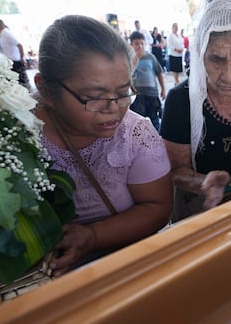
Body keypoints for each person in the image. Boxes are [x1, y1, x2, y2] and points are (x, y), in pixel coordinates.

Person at [33, 15, 173, 276]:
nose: (114, 109)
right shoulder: (13, 135)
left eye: (122, 93)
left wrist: (92, 237)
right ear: (47, 91)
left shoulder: (136, 134)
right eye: (94, 98)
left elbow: (158, 207)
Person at [160, 0, 231, 222]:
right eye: (216, 59)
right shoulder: (180, 101)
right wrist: (205, 184)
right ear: (200, 54)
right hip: (196, 206)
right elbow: (176, 170)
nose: (229, 76)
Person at [129, 30, 166, 130]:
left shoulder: (151, 58)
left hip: (152, 94)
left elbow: (159, 73)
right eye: (136, 44)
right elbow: (128, 77)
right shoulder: (129, 60)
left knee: (154, 118)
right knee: (137, 120)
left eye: (142, 43)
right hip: (137, 96)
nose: (140, 46)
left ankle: (156, 137)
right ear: (131, 45)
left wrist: (163, 89)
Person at [0, 18, 30, 88]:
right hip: (10, 62)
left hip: (16, 61)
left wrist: (22, 58)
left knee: (22, 81)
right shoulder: (1, 35)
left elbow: (20, 45)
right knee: (17, 82)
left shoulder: (6, 33)